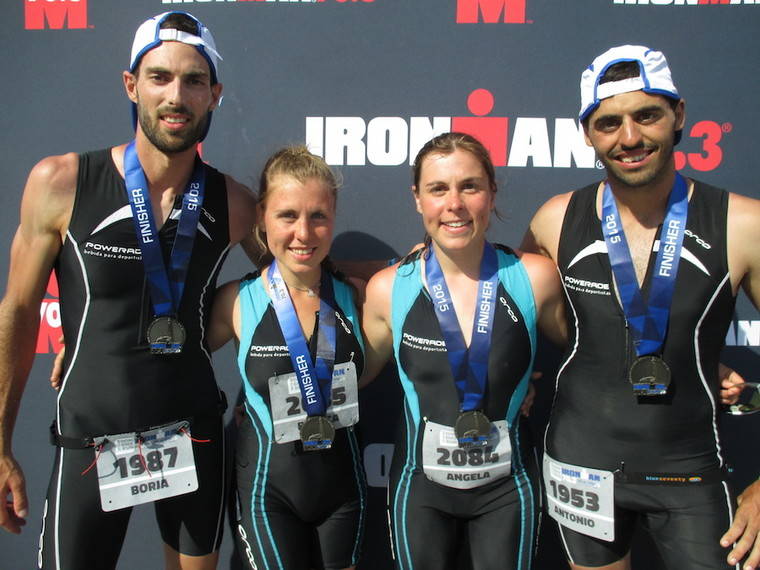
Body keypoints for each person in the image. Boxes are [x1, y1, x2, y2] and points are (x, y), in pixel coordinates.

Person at [0, 11, 256, 570]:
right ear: (131, 84)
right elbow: (17, 312)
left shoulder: (235, 204)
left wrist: (400, 269)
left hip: (192, 437)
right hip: (90, 442)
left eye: (193, 81)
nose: (176, 96)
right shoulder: (63, 183)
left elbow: (298, 276)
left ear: (214, 95)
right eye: (160, 77)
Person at [520, 45, 760, 570]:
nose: (629, 138)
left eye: (646, 115)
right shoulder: (554, 219)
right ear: (587, 133)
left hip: (689, 472)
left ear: (679, 115)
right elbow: (507, 303)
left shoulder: (744, 224)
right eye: (608, 123)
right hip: (582, 465)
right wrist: (442, 254)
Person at [361, 132, 566, 569]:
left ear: (491, 193)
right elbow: (359, 373)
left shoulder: (535, 278)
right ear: (417, 199)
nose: (454, 203)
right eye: (438, 188)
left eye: (469, 186)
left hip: (508, 490)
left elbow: (590, 353)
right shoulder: (388, 289)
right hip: (420, 491)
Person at [208, 146, 366, 570]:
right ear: (261, 216)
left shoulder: (358, 296)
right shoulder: (236, 302)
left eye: (318, 216)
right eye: (287, 215)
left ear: (333, 217)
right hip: (266, 494)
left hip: (344, 494)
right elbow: (166, 361)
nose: (304, 232)